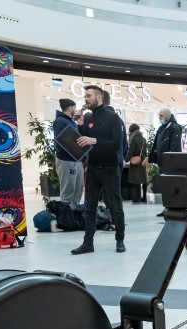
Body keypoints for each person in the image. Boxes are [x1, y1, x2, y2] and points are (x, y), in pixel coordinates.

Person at [71, 85, 126, 255]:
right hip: (93, 167)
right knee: (90, 206)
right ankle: (88, 243)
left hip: (110, 168)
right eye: (85, 96)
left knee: (115, 205)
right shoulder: (87, 118)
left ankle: (120, 239)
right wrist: (80, 125)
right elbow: (82, 142)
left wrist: (93, 140)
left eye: (88, 96)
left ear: (98, 97)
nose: (85, 99)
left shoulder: (113, 117)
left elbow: (117, 144)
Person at [52, 98, 84, 210]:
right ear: (70, 108)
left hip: (76, 159)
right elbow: (62, 142)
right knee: (68, 190)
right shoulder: (60, 121)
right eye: (74, 107)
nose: (75, 110)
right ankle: (66, 216)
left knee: (78, 189)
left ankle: (75, 214)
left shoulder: (70, 121)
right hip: (67, 160)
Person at [147, 108, 182, 174]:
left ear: (168, 116)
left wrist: (172, 161)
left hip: (170, 163)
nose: (159, 118)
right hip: (161, 162)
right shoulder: (162, 128)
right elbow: (156, 144)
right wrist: (150, 158)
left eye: (161, 116)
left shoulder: (175, 128)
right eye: (159, 116)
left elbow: (175, 147)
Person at [125, 123, 148, 203]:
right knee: (143, 179)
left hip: (135, 161)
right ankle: (144, 197)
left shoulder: (134, 138)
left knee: (135, 180)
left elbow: (131, 150)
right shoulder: (143, 138)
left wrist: (126, 159)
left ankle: (136, 198)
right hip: (143, 160)